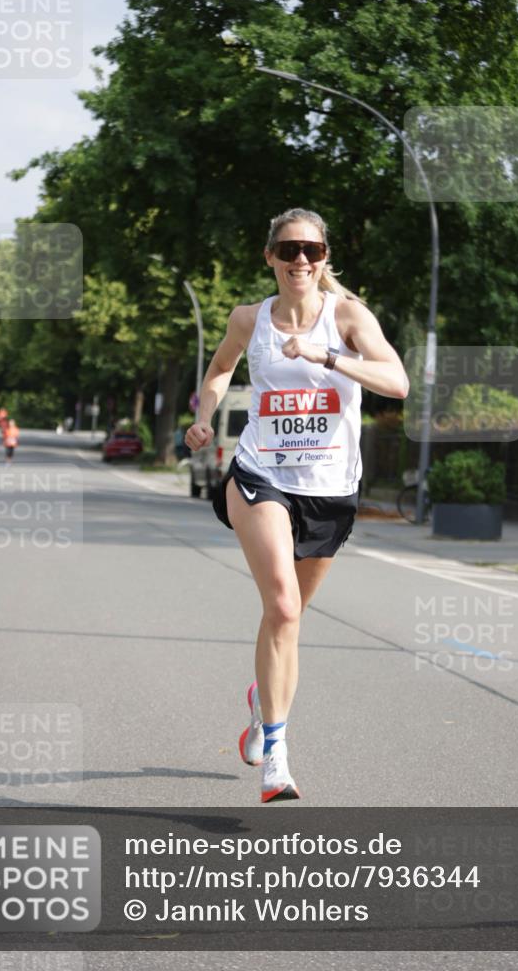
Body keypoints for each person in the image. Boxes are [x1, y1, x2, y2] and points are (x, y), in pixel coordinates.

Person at [185, 208, 409, 803]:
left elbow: (398, 382)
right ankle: (276, 759)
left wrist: (326, 357)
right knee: (283, 607)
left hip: (331, 488)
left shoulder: (348, 317)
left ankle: (262, 702)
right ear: (270, 258)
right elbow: (219, 370)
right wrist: (204, 418)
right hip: (262, 475)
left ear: (325, 257)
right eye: (288, 250)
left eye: (311, 249)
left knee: (289, 617)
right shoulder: (248, 319)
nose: (300, 260)